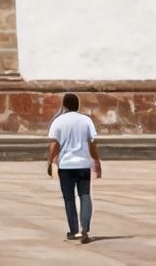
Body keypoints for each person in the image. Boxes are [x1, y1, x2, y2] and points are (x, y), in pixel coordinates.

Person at [46, 92, 101, 245]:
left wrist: (50, 162)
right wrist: (96, 161)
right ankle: (85, 229)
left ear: (64, 105)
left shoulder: (58, 121)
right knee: (85, 195)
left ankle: (74, 230)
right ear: (77, 105)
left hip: (66, 165)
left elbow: (54, 145)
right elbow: (92, 143)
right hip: (83, 164)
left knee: (69, 198)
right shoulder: (86, 120)